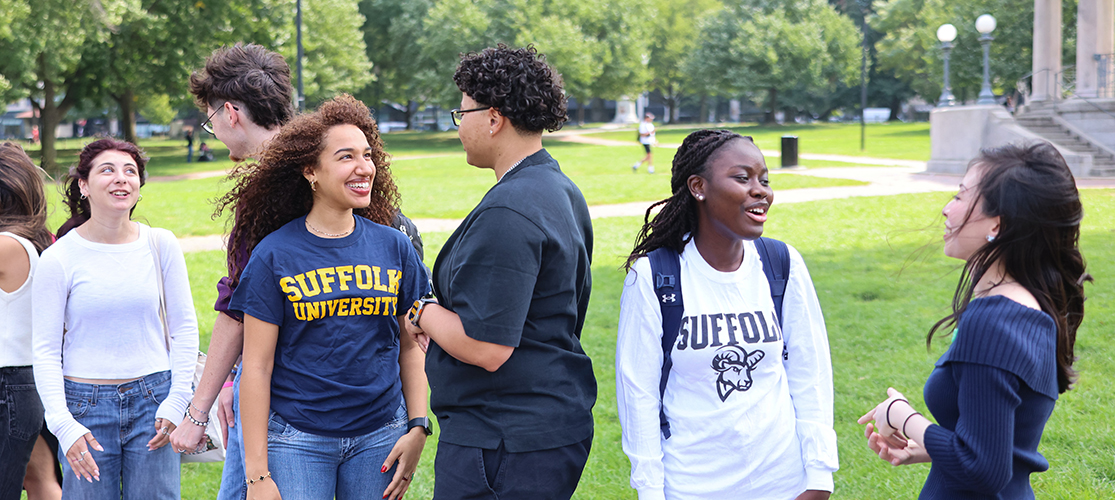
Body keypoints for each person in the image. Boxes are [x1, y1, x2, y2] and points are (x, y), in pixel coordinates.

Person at [173, 43, 427, 500]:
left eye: (210, 122)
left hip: (347, 419)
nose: (360, 167)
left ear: (230, 112)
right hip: (305, 416)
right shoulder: (286, 213)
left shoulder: (296, 190)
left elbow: (235, 315)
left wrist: (198, 411)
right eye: (348, 157)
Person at [403, 44, 596, 500]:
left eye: (461, 112)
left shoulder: (510, 210)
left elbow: (486, 346)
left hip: (504, 438)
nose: (459, 126)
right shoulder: (558, 187)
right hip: (541, 425)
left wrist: (420, 311)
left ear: (493, 118)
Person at [614, 129, 838, 500]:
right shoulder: (654, 275)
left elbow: (810, 370)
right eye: (742, 177)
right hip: (693, 485)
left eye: (764, 179)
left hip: (784, 482)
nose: (760, 190)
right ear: (698, 186)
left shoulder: (782, 263)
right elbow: (637, 394)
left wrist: (818, 474)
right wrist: (651, 491)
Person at [857, 142, 1090, 499]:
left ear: (998, 223)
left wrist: (901, 416)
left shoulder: (993, 321)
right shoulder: (1031, 305)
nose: (946, 210)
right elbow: (1001, 449)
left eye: (960, 196)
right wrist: (929, 447)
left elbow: (982, 470)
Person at [31, 138, 200, 499]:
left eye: (130, 171)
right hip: (84, 409)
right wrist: (64, 425)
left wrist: (176, 400)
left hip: (153, 402)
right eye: (107, 170)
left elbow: (185, 330)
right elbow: (44, 350)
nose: (121, 178)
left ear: (139, 185)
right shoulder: (59, 258)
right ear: (84, 185)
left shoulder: (161, 244)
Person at [0, 143, 57, 500]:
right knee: (42, 481)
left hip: (9, 385)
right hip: (29, 382)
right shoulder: (35, 241)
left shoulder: (6, 244)